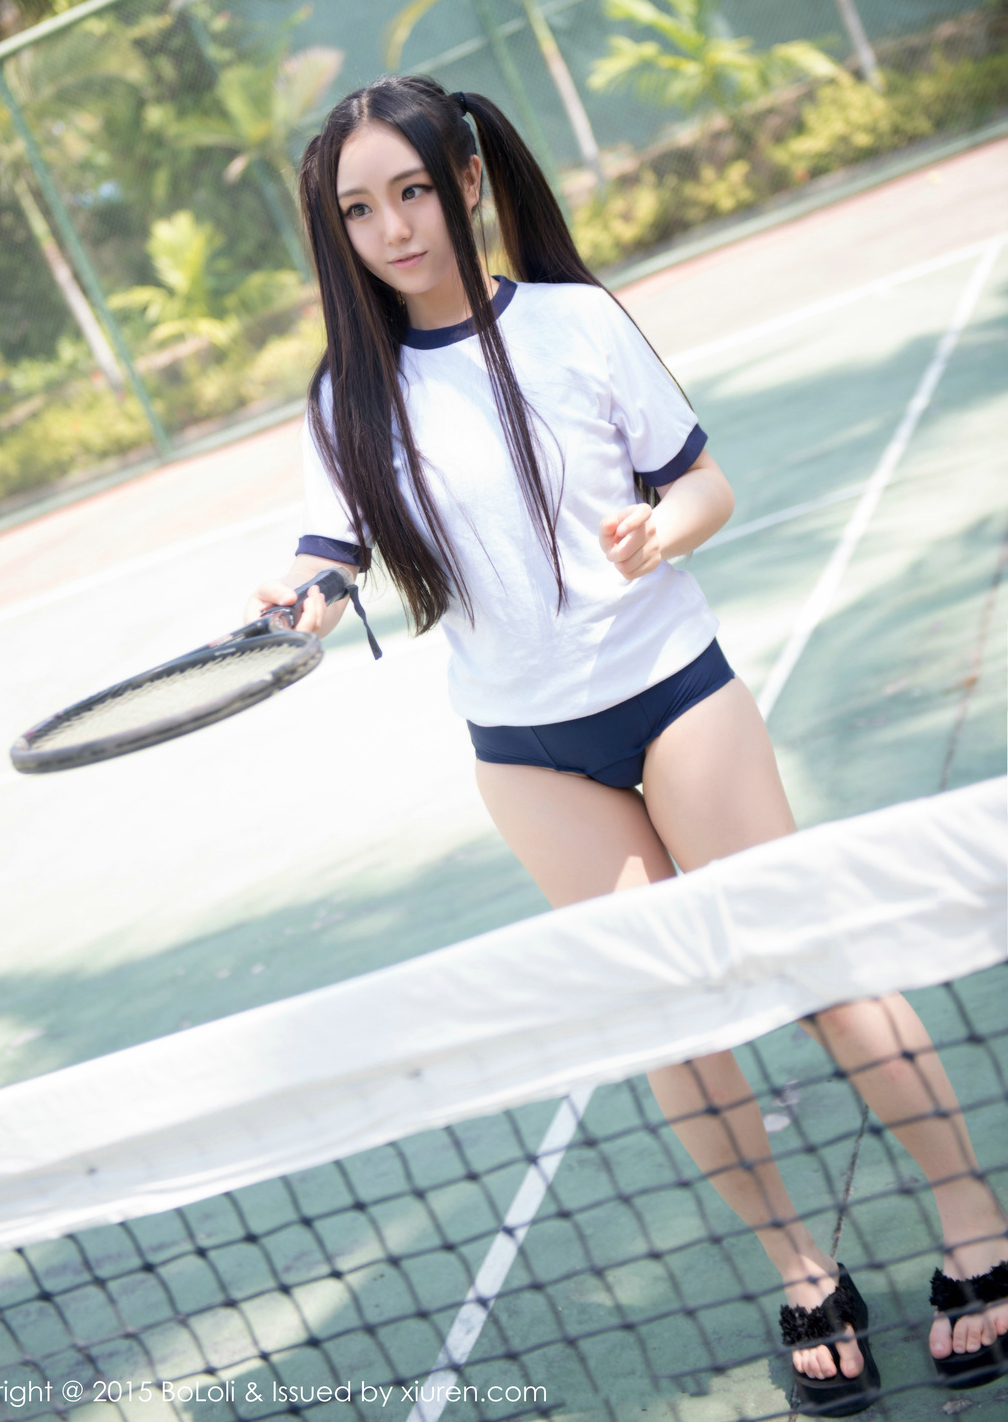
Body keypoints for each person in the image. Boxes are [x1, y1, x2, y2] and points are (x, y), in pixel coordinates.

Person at [247, 74, 1008, 1410]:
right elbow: (331, 553)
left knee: (817, 966)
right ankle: (802, 1272)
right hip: (527, 752)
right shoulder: (344, 397)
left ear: (468, 183)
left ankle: (978, 1227)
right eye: (360, 210)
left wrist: (668, 528)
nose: (394, 229)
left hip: (673, 696)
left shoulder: (575, 323)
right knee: (672, 1018)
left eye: (414, 191)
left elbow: (703, 481)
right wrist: (303, 599)